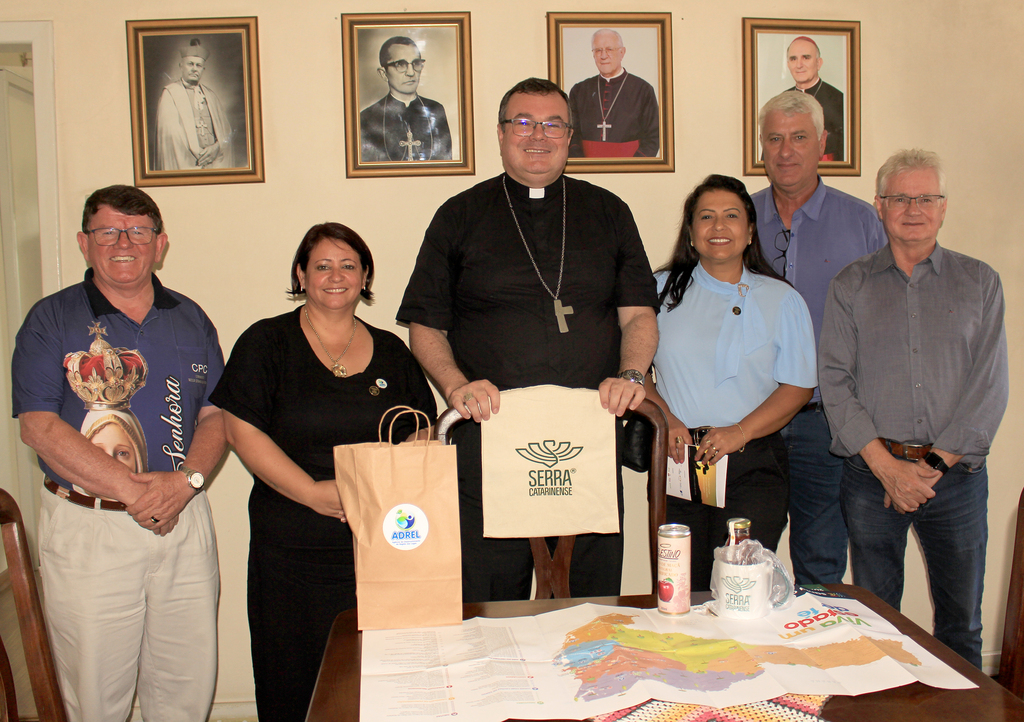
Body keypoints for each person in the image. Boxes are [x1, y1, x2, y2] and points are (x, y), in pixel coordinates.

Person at [397, 77, 659, 603]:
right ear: (500, 134)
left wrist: (632, 376)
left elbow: (639, 317)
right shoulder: (459, 215)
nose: (537, 135)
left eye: (553, 124)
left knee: (593, 603)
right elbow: (425, 324)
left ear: (569, 135)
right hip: (488, 437)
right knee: (491, 601)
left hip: (587, 437)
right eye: (523, 122)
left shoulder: (609, 212)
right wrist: (455, 387)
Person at [11, 185, 225, 722]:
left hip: (183, 516)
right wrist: (135, 492)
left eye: (138, 231)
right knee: (94, 695)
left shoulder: (191, 318)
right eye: (107, 231)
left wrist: (185, 485)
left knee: (185, 684)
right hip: (92, 526)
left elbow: (217, 415)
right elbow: (38, 426)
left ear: (161, 243)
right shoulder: (51, 319)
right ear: (85, 243)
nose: (123, 242)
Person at [209, 223, 436, 721]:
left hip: (381, 544)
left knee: (381, 678)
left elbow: (421, 430)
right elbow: (240, 429)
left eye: (348, 265)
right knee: (294, 678)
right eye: (322, 265)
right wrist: (312, 492)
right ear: (301, 275)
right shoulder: (267, 342)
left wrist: (378, 489)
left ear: (365, 276)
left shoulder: (393, 351)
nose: (336, 276)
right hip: (291, 549)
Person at [818, 149, 1008, 668]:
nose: (914, 208)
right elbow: (834, 382)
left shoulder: (981, 283)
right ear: (879, 206)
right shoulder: (850, 285)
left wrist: (930, 467)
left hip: (957, 480)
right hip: (871, 476)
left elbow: (989, 388)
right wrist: (887, 468)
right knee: (878, 623)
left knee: (961, 624)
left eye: (926, 197)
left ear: (944, 208)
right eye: (901, 197)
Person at [644, 174, 816, 591]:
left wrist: (739, 432)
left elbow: (798, 387)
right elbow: (635, 372)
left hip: (753, 461)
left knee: (741, 587)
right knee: (682, 587)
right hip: (679, 460)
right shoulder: (659, 290)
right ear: (690, 231)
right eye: (706, 217)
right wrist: (666, 419)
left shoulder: (782, 298)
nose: (718, 227)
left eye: (731, 216)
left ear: (750, 229)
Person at [751, 90, 886, 586]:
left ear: (823, 143)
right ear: (761, 146)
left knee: (821, 562)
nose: (786, 151)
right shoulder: (735, 220)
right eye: (775, 139)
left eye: (799, 138)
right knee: (740, 561)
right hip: (749, 420)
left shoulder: (864, 224)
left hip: (823, 424)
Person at [568, 29, 659, 158]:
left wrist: (634, 167)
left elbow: (654, 136)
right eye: (598, 50)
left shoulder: (643, 90)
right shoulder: (579, 90)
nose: (603, 56)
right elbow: (572, 133)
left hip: (630, 170)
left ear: (622, 52)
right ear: (593, 54)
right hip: (587, 167)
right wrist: (582, 165)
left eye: (609, 49)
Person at [360, 36, 453, 162]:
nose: (411, 72)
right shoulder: (367, 118)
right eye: (400, 64)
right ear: (383, 73)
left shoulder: (436, 110)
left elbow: (445, 165)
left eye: (416, 63)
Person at [155, 37, 234, 170]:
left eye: (198, 65)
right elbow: (171, 137)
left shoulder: (211, 96)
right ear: (181, 66)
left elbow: (226, 132)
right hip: (187, 163)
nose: (194, 69)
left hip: (213, 163)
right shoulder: (170, 94)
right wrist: (199, 155)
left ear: (203, 69)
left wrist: (217, 147)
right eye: (190, 64)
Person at [785, 36, 844, 161]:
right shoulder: (780, 101)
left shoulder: (839, 100)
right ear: (788, 64)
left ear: (818, 63)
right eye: (793, 59)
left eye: (806, 57)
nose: (799, 65)